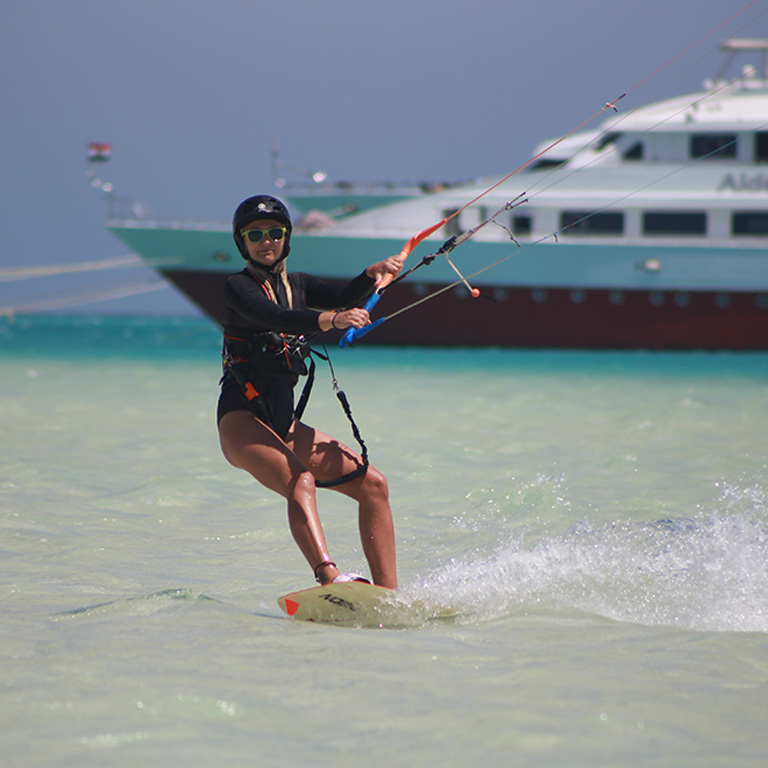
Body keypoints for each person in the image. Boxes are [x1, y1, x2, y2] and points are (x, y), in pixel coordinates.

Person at [217, 195, 402, 589]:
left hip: (285, 425)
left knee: (374, 485)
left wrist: (372, 275)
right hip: (242, 421)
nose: (266, 241)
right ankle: (329, 578)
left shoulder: (298, 284)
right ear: (242, 242)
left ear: (286, 237)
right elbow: (274, 317)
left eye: (274, 233)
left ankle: (388, 594)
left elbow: (340, 297)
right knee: (299, 480)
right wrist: (333, 321)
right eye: (255, 235)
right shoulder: (237, 288)